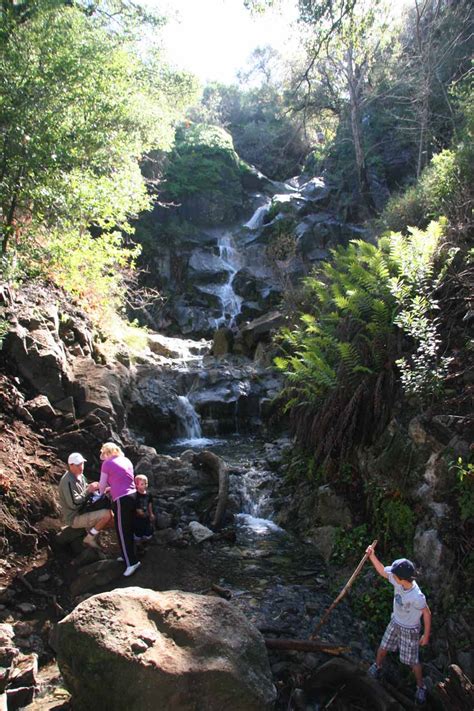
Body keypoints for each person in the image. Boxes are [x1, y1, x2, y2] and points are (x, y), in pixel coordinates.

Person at [365, 545, 431, 705]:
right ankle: (377, 666)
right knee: (383, 646)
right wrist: (371, 555)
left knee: (412, 661)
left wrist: (426, 635)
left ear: (402, 579)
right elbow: (382, 571)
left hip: (410, 629)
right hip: (395, 621)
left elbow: (427, 613)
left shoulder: (417, 596)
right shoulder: (397, 579)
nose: (391, 576)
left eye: (394, 575)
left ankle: (421, 686)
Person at [99, 442, 140, 577]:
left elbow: (102, 485)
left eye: (103, 453)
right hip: (133, 496)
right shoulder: (126, 460)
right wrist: (112, 487)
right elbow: (125, 480)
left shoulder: (107, 464)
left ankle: (132, 562)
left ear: (107, 452)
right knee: (129, 527)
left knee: (122, 530)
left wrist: (101, 492)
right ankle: (126, 555)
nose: (102, 457)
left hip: (122, 499)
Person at [58, 452, 113, 549]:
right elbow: (74, 504)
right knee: (107, 515)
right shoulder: (67, 482)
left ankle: (92, 531)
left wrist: (97, 489)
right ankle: (89, 538)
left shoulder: (81, 476)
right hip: (74, 517)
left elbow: (85, 493)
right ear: (71, 465)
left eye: (82, 464)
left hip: (84, 509)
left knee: (111, 514)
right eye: (78, 465)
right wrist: (88, 490)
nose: (81, 467)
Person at [133, 474, 155, 542]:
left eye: (146, 483)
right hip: (137, 518)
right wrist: (137, 510)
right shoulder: (134, 495)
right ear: (136, 485)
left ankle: (145, 542)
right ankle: (138, 544)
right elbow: (133, 505)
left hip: (146, 516)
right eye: (142, 484)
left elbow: (150, 504)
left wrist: (151, 513)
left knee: (148, 530)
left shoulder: (148, 494)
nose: (145, 486)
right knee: (138, 532)